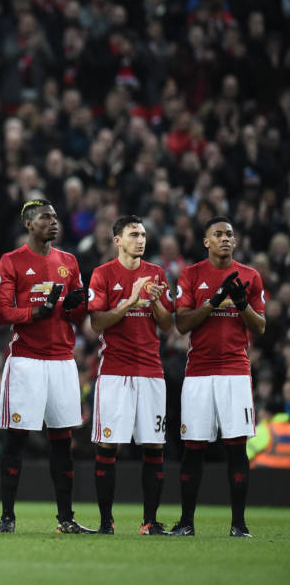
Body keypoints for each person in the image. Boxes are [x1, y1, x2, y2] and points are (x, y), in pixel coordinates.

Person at [0, 199, 94, 534]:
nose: (53, 222)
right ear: (28, 224)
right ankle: (7, 517)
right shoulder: (11, 261)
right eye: (46, 217)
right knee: (17, 439)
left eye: (55, 217)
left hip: (62, 361)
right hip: (26, 360)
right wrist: (36, 312)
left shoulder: (69, 261)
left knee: (63, 441)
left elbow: (76, 314)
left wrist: (77, 306)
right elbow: (1, 312)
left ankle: (66, 518)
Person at [171, 216, 265, 538]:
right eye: (218, 234)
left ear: (235, 241)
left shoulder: (251, 276)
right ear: (206, 242)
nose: (225, 238)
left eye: (230, 234)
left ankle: (239, 525)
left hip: (235, 373)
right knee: (193, 448)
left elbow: (260, 326)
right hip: (198, 373)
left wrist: (241, 304)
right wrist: (214, 300)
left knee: (236, 448)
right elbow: (182, 324)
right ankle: (186, 523)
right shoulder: (191, 274)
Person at [87, 215, 174, 535]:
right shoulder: (103, 274)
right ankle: (106, 522)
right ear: (118, 241)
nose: (141, 240)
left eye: (143, 235)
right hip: (114, 373)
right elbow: (97, 323)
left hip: (151, 372)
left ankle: (149, 522)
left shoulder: (157, 273)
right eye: (134, 234)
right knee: (108, 446)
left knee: (154, 446)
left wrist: (155, 303)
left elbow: (167, 324)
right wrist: (130, 301)